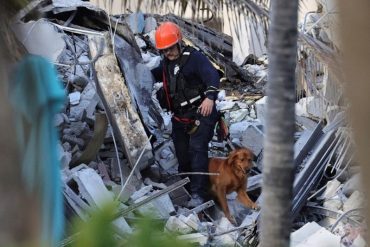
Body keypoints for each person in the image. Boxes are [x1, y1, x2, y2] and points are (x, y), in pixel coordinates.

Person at [151, 21, 220, 207]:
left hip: (201, 111)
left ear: (179, 43)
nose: (168, 53)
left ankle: (199, 194)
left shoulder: (195, 58)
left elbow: (213, 75)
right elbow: (157, 74)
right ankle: (186, 190)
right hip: (180, 116)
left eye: (170, 49)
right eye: (164, 51)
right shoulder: (166, 63)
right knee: (182, 154)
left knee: (197, 150)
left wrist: (210, 97)